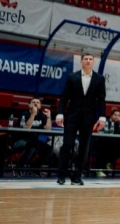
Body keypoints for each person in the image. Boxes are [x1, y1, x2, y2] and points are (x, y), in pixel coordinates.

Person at [57, 53, 107, 186]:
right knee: (67, 145)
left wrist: (102, 117)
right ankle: (61, 175)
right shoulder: (72, 77)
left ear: (93, 62)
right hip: (72, 116)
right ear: (81, 62)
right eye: (86, 59)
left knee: (84, 148)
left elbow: (101, 99)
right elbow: (64, 96)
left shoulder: (99, 79)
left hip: (89, 118)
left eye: (90, 59)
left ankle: (77, 176)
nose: (88, 61)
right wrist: (60, 113)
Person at [13, 97, 53, 170]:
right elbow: (27, 128)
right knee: (32, 146)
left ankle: (35, 168)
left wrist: (48, 117)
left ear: (40, 105)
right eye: (33, 102)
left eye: (38, 102)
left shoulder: (41, 115)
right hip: (20, 140)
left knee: (49, 149)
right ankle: (18, 169)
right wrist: (33, 114)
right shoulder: (24, 114)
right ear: (29, 105)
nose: (36, 104)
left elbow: (48, 129)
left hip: (34, 141)